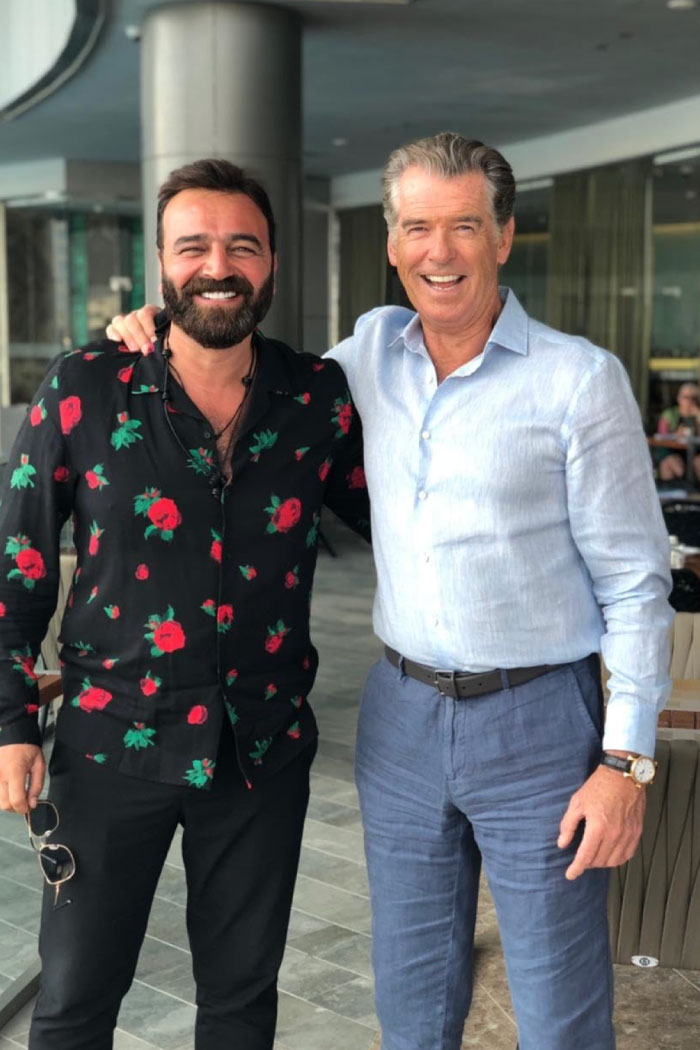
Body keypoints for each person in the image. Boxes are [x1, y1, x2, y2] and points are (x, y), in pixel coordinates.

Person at [108, 133, 673, 1050]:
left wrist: (625, 766)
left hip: (539, 726)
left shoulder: (578, 380)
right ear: (391, 241)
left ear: (504, 236)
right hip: (401, 719)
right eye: (417, 227)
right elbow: (245, 370)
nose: (438, 251)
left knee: (559, 1009)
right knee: (410, 999)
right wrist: (152, 330)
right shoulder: (365, 355)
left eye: (464, 226)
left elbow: (636, 586)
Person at [0, 158, 369, 1050]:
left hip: (261, 751)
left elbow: (409, 524)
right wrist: (10, 722)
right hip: (108, 744)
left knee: (241, 1003)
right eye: (193, 246)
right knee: (74, 1001)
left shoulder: (318, 397)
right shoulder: (85, 386)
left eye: (242, 246)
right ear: (162, 263)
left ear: (272, 262)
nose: (218, 265)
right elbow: (17, 567)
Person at [655, 381, 700, 482]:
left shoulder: (698, 415)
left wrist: (698, 415)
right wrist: (675, 435)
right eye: (686, 397)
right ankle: (674, 489)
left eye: (693, 398)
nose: (690, 401)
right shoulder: (669, 415)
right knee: (673, 465)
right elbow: (661, 437)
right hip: (672, 451)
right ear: (679, 398)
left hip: (695, 452)